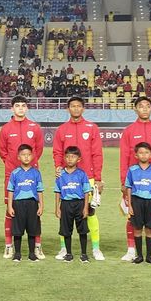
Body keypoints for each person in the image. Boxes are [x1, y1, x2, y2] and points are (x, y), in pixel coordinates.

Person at [52, 96, 105, 261]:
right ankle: (64, 249)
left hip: (88, 178)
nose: (75, 109)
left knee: (90, 213)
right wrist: (58, 168)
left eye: (78, 106)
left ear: (83, 109)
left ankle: (95, 248)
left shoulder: (92, 128)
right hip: (66, 179)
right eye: (72, 106)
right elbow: (58, 152)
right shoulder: (61, 129)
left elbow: (97, 154)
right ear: (68, 109)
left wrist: (98, 178)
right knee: (64, 215)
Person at [119, 96, 151, 262]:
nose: (144, 109)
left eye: (148, 106)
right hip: (134, 184)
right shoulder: (129, 130)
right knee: (132, 214)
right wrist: (123, 181)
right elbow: (124, 157)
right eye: (141, 106)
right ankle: (131, 250)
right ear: (135, 109)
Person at [0, 95, 44, 260]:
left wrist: (29, 166)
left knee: (35, 209)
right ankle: (9, 246)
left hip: (31, 174)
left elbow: (38, 150)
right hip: (12, 174)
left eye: (23, 105)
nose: (20, 108)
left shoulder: (35, 127)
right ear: (12, 108)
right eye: (17, 105)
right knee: (10, 210)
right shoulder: (5, 129)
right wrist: (13, 165)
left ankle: (37, 246)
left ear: (27, 108)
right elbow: (3, 151)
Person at [124, 142, 151, 264]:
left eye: (146, 152)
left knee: (149, 229)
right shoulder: (132, 170)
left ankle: (149, 256)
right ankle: (139, 256)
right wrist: (130, 205)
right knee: (137, 228)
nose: (144, 155)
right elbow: (129, 187)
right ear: (136, 155)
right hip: (136, 201)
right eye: (141, 153)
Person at [7, 144, 44, 263]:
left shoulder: (36, 173)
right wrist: (10, 206)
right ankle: (17, 253)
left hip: (32, 204)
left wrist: (41, 205)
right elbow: (11, 190)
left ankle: (32, 253)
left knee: (32, 229)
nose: (26, 157)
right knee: (17, 230)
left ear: (32, 156)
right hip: (18, 204)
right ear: (18, 157)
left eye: (28, 155)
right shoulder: (15, 173)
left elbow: (39, 190)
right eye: (23, 155)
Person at [54, 146, 91, 263]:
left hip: (79, 204)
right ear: (65, 158)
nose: (70, 159)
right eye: (68, 157)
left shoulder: (82, 174)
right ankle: (68, 253)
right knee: (66, 230)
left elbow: (86, 192)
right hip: (65, 205)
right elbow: (57, 191)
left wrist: (85, 207)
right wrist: (57, 208)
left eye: (73, 157)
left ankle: (84, 254)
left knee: (83, 230)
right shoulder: (60, 175)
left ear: (78, 159)